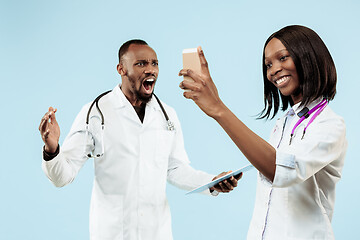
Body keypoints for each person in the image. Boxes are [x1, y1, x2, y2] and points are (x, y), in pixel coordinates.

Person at [39, 39, 239, 240]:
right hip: (112, 233)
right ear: (121, 69)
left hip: (157, 233)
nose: (150, 69)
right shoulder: (95, 113)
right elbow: (62, 177)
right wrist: (52, 148)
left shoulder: (167, 115)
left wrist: (211, 182)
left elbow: (175, 169)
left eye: (155, 63)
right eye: (141, 64)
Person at [179, 25, 347, 240]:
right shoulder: (282, 124)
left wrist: (218, 109)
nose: (273, 70)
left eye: (283, 58)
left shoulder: (330, 125)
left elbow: (281, 170)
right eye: (268, 64)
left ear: (309, 57)